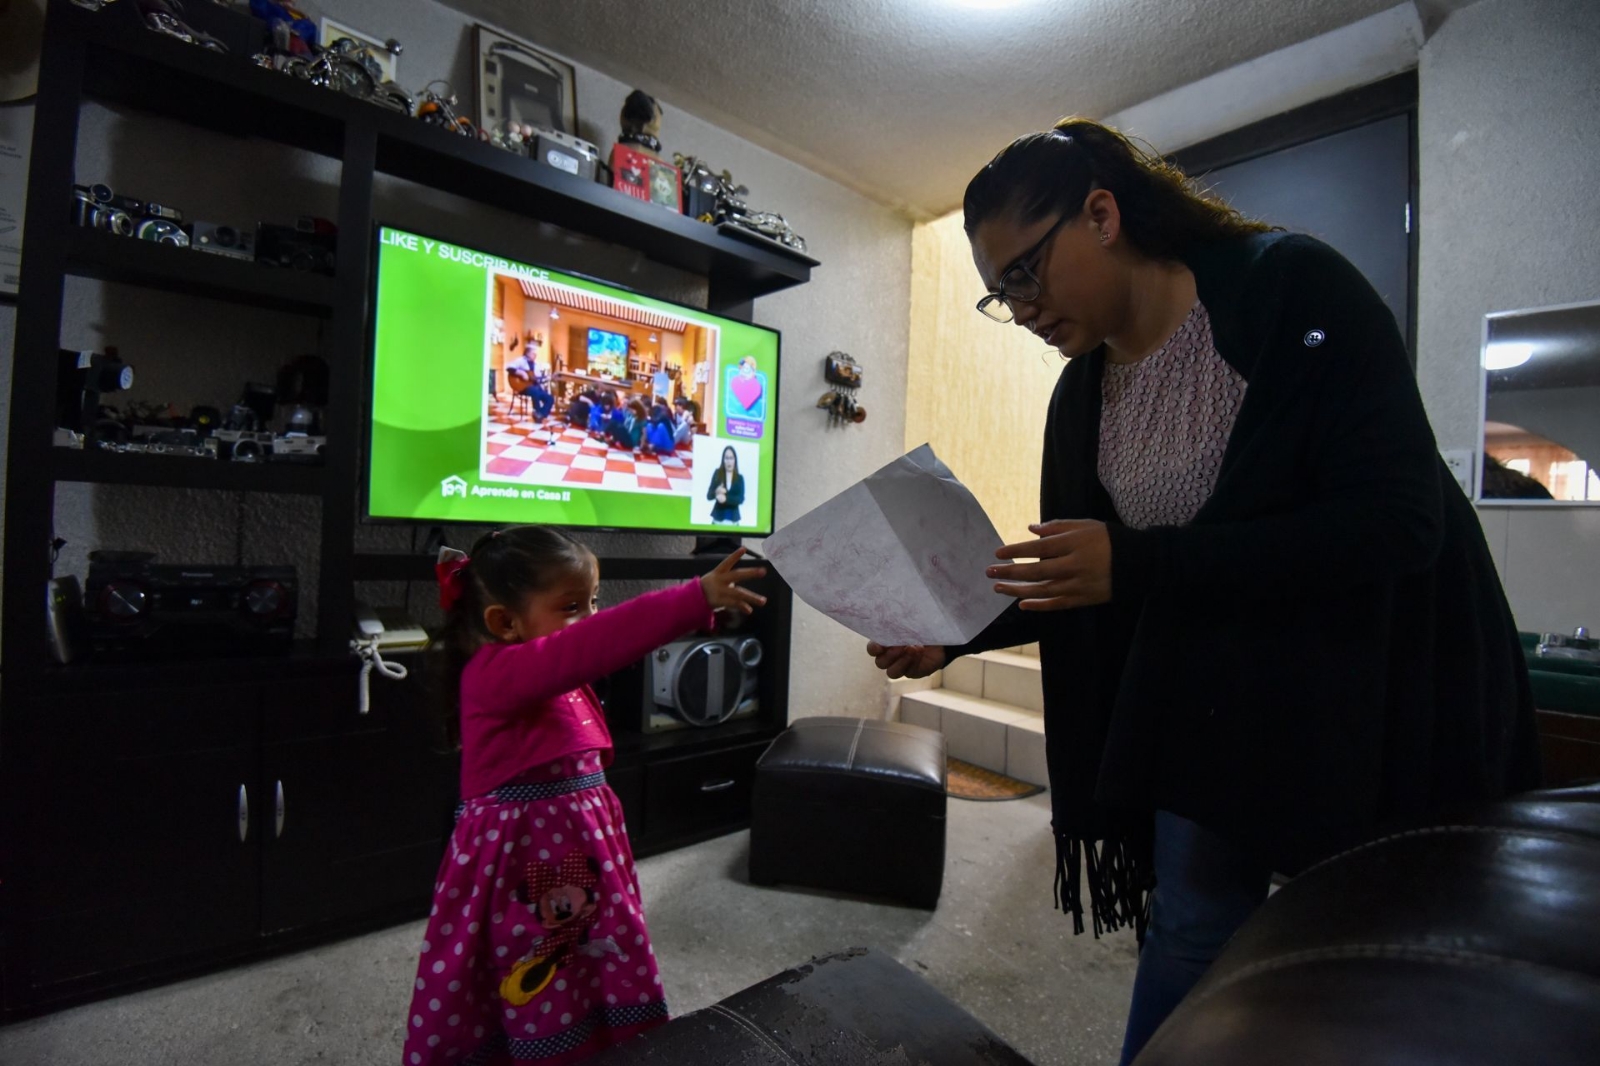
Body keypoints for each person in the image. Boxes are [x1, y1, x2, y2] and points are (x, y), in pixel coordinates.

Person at [865, 118, 1540, 1065]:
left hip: (1368, 680)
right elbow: (1097, 573)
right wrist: (955, 637)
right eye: (997, 295)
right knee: (1189, 921)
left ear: (1101, 214)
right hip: (1214, 685)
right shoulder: (1084, 393)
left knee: (1359, 942)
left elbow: (1397, 523)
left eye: (1024, 273)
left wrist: (1142, 566)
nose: (1018, 309)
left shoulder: (1291, 288)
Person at [403, 527, 767, 1065]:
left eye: (594, 601)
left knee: (592, 955)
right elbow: (588, 647)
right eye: (573, 605)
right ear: (504, 621)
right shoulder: (495, 674)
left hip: (580, 855)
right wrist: (691, 599)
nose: (591, 617)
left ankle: (597, 1036)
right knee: (528, 962)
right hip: (522, 867)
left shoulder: (548, 672)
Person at [505, 339, 555, 421]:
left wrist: (545, 380)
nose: (535, 355)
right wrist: (520, 373)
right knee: (535, 390)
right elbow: (509, 368)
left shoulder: (536, 365)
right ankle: (538, 413)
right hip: (522, 388)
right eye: (533, 353)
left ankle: (540, 414)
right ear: (527, 353)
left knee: (550, 398)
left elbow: (537, 378)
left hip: (533, 387)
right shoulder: (520, 360)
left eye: (535, 354)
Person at [706, 446, 744, 524]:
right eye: (726, 458)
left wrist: (726, 499)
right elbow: (709, 496)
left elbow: (740, 499)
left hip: (734, 520)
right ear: (723, 460)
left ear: (735, 460)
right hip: (717, 520)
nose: (729, 461)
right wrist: (716, 491)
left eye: (731, 458)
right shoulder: (717, 473)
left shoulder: (740, 478)